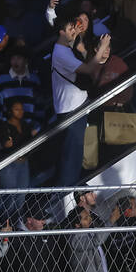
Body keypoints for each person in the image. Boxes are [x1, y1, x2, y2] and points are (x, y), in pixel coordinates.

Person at [50, 11, 111, 186]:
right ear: (62, 32)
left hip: (77, 106)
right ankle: (66, 200)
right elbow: (87, 69)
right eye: (70, 29)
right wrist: (101, 49)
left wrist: (98, 54)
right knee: (72, 160)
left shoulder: (66, 49)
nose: (74, 32)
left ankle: (68, 196)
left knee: (75, 156)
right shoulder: (62, 53)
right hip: (71, 111)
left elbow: (88, 63)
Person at [0, 48, 42, 127]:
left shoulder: (34, 79)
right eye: (13, 58)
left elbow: (40, 105)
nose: (15, 62)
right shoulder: (2, 80)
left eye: (19, 58)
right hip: (9, 130)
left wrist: (37, 127)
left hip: (31, 128)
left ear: (25, 61)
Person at [68, 207, 108, 272]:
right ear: (77, 225)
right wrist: (110, 222)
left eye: (90, 216)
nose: (90, 219)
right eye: (86, 218)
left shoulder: (90, 232)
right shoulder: (75, 239)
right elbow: (96, 241)